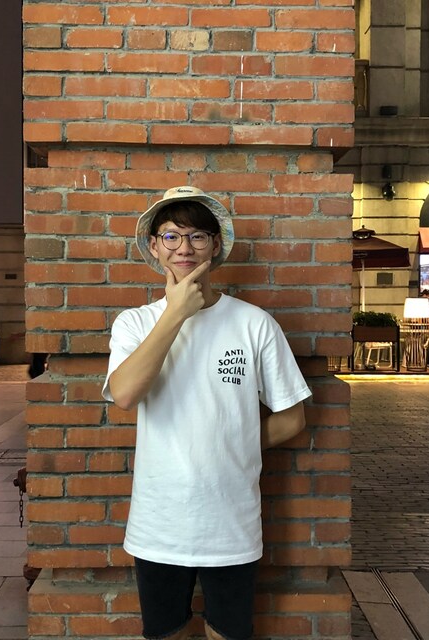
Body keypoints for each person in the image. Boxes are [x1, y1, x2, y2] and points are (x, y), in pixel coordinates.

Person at [102, 186, 312, 640]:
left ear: (215, 245)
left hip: (231, 521)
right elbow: (125, 394)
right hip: (159, 521)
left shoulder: (253, 323)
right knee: (166, 632)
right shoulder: (134, 323)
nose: (184, 247)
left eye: (197, 236)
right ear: (154, 246)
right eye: (171, 236)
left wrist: (231, 443)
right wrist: (175, 313)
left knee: (229, 633)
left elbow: (292, 418)